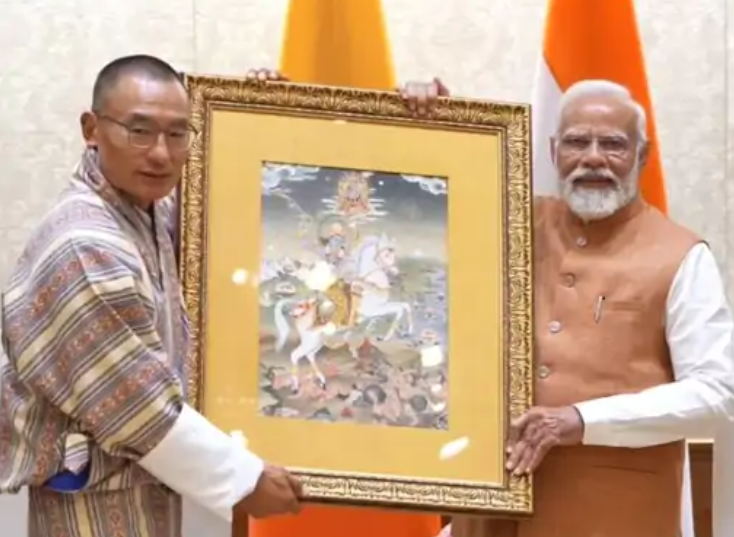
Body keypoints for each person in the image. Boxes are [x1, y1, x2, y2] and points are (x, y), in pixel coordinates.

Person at [397, 78, 734, 537]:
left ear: (642, 155)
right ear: (554, 152)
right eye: (577, 142)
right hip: (491, 508)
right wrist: (430, 118)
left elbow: (717, 394)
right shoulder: (513, 220)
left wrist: (581, 420)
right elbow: (424, 198)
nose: (593, 157)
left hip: (614, 514)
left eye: (612, 144)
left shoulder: (682, 255)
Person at [0, 54, 304, 537]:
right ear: (92, 129)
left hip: (148, 486)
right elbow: (136, 409)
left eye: (178, 133)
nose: (161, 153)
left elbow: (225, 223)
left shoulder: (146, 211)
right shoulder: (86, 245)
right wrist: (245, 481)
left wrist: (257, 115)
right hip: (94, 508)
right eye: (139, 131)